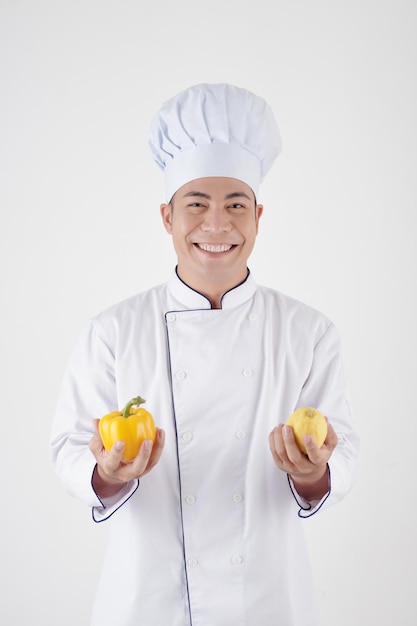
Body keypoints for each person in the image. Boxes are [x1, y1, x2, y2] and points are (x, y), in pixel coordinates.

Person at [51, 83, 360, 626]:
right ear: (167, 216)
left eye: (235, 205)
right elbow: (68, 449)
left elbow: (344, 455)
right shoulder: (113, 331)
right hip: (145, 603)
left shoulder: (309, 332)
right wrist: (106, 472)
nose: (216, 226)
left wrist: (313, 473)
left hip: (268, 601)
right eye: (196, 204)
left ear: (259, 216)